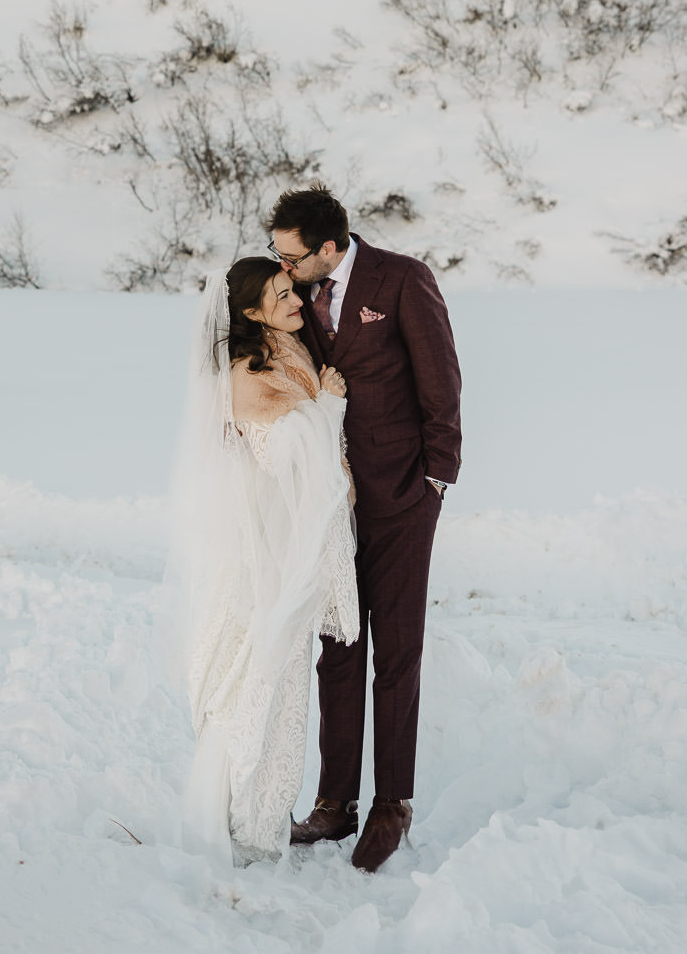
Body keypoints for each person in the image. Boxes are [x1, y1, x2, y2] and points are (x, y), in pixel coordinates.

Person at [268, 185, 462, 874]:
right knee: (339, 648)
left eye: (291, 256)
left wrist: (437, 477)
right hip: (331, 502)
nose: (282, 268)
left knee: (398, 650)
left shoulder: (402, 280)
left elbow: (442, 380)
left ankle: (392, 804)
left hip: (404, 495)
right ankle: (335, 802)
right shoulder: (296, 293)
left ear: (328, 247)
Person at [175, 256, 360, 865]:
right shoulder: (251, 373)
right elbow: (287, 459)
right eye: (280, 295)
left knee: (276, 679)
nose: (295, 302)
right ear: (251, 312)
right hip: (265, 553)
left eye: (293, 290)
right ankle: (236, 820)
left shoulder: (287, 351)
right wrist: (329, 408)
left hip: (283, 545)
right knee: (255, 678)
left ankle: (258, 816)